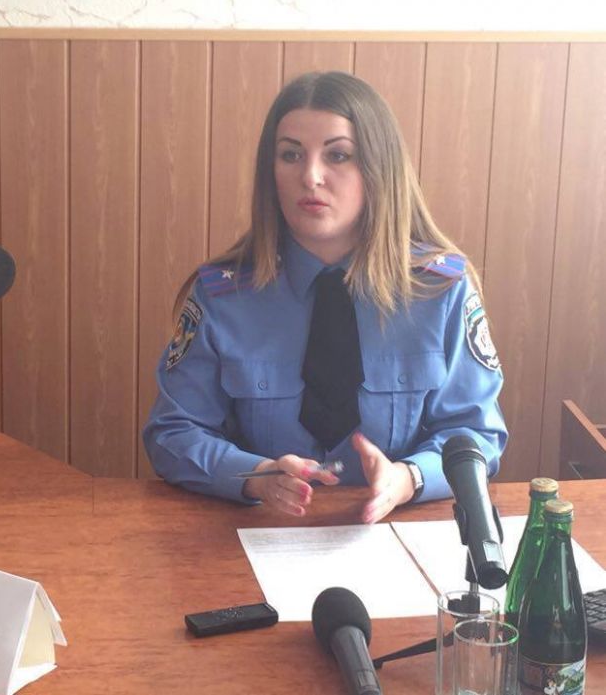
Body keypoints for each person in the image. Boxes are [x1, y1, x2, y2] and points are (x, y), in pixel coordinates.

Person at [142, 71, 506, 524]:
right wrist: (255, 476)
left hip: (398, 533)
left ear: (379, 169)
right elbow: (173, 433)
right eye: (291, 155)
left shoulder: (440, 290)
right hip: (256, 533)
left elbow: (476, 434)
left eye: (338, 155)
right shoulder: (224, 295)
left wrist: (407, 478)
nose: (310, 177)